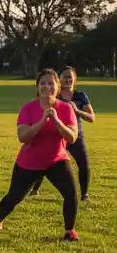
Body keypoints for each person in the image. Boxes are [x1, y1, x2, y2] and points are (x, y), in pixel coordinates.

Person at [0, 69, 80, 240]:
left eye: (51, 83)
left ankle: (69, 231)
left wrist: (56, 120)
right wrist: (42, 120)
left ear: (58, 87)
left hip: (57, 160)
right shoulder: (28, 108)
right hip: (29, 162)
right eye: (43, 83)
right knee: (14, 196)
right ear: (37, 87)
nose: (47, 87)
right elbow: (23, 137)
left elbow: (72, 137)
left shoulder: (66, 108)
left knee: (71, 194)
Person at [28, 66, 93, 202]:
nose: (67, 80)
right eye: (64, 77)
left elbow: (91, 117)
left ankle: (84, 195)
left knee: (83, 163)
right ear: (59, 79)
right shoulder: (54, 93)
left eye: (70, 77)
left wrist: (77, 111)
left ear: (74, 79)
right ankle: (34, 189)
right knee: (44, 162)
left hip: (74, 136)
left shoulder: (80, 96)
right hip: (56, 136)